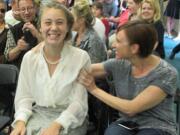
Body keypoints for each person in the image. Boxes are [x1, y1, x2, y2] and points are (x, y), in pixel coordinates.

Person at [78, 20, 178, 135]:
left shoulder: (166, 73)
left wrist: (94, 89)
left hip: (158, 126)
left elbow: (131, 109)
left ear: (134, 48)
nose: (113, 45)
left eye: (119, 41)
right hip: (127, 123)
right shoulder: (120, 64)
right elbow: (83, 69)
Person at [10, 2, 90, 135]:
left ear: (68, 27)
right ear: (40, 27)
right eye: (47, 22)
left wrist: (57, 125)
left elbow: (78, 103)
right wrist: (20, 121)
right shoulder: (30, 58)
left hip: (71, 117)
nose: (53, 28)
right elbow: (24, 97)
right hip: (38, 113)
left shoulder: (81, 58)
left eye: (59, 22)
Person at [4, 0, 41, 68]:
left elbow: (52, 48)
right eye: (23, 9)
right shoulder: (14, 30)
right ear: (19, 11)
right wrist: (18, 48)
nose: (26, 12)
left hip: (41, 67)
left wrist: (36, 34)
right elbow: (8, 57)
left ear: (35, 8)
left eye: (29, 8)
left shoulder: (44, 25)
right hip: (20, 71)